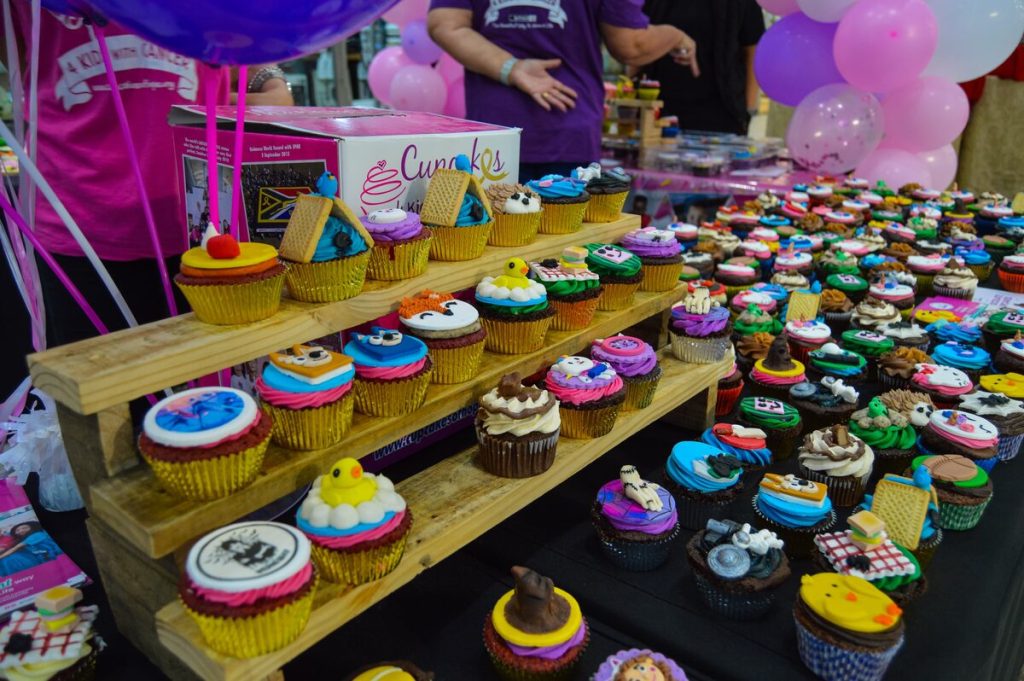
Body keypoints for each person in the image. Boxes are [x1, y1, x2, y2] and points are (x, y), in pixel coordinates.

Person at [6, 8, 293, 349]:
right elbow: (23, 60)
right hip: (79, 227)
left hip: (206, 224)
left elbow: (240, 27)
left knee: (213, 392)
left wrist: (269, 79)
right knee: (103, 394)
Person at [428, 0, 698, 182]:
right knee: (567, 260)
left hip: (493, 139)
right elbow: (632, 46)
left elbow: (445, 24)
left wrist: (511, 68)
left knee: (488, 255)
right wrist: (675, 35)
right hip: (567, 129)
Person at [638, 0, 765, 135]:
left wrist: (749, 109)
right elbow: (637, 41)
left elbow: (754, 48)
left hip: (721, 113)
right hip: (659, 108)